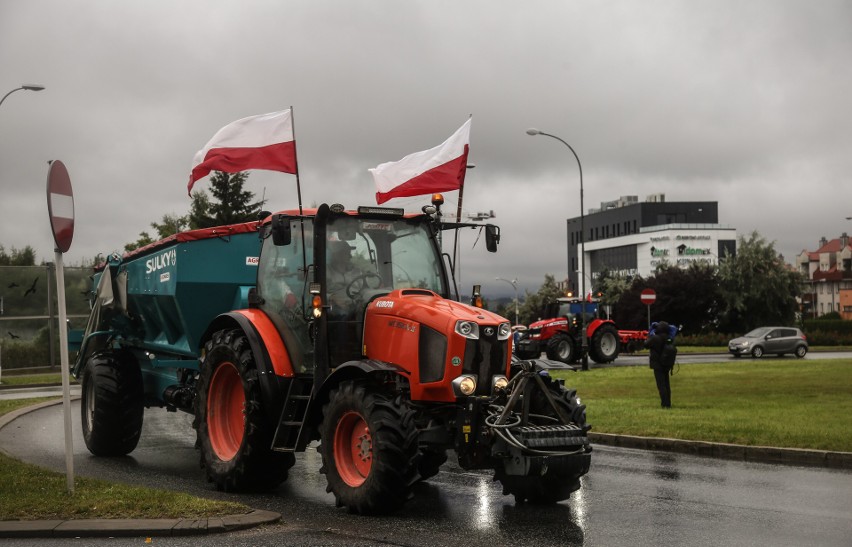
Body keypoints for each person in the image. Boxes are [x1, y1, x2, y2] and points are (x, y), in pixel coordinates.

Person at [644, 321, 674, 408]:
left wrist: (650, 334)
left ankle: (665, 404)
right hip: (666, 364)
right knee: (666, 384)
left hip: (658, 364)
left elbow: (646, 344)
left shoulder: (655, 338)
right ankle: (668, 402)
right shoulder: (669, 338)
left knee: (661, 385)